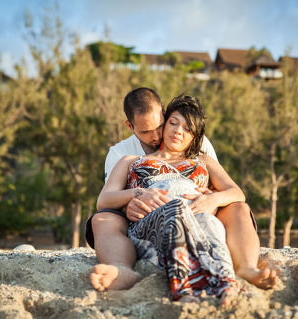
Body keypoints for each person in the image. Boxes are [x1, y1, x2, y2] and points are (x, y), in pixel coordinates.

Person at [87, 88, 276, 293]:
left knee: (239, 207)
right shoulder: (125, 157)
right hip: (150, 221)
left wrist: (214, 199)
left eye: (186, 128)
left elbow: (236, 192)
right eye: (173, 123)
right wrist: (136, 195)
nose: (158, 135)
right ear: (130, 126)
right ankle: (121, 269)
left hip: (200, 216)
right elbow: (105, 201)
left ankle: (246, 268)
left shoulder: (202, 156)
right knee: (103, 219)